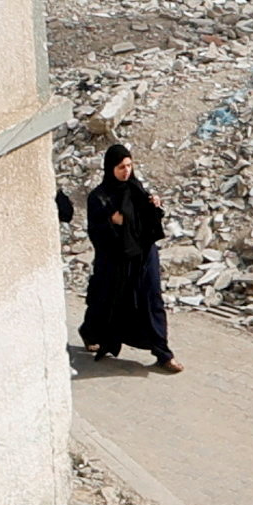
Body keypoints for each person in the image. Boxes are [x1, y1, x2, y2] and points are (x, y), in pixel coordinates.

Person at [77, 144, 180, 371]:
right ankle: (89, 332)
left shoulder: (136, 189)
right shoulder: (99, 197)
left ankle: (163, 354)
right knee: (108, 300)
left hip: (144, 255)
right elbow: (95, 231)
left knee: (152, 300)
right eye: (121, 167)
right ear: (110, 168)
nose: (126, 171)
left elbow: (148, 221)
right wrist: (110, 224)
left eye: (129, 166)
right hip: (116, 259)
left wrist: (155, 206)